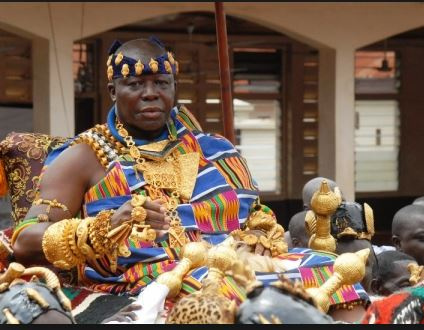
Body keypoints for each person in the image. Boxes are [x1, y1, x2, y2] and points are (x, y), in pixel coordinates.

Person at [9, 37, 260, 315]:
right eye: (135, 84)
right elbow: (25, 241)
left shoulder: (213, 149)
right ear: (113, 91)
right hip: (151, 286)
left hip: (234, 264)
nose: (150, 93)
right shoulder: (86, 155)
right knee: (241, 298)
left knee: (312, 269)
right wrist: (105, 227)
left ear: (174, 87)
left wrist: (259, 237)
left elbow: (258, 218)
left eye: (161, 83)